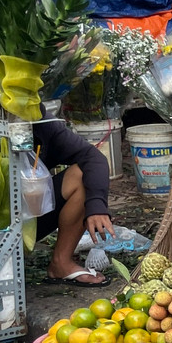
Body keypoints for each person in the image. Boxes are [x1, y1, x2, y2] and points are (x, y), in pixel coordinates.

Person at [34, 119, 115, 287]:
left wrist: (96, 207)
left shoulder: (40, 123)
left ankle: (61, 263)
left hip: (28, 217)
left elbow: (93, 157)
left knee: (82, 175)